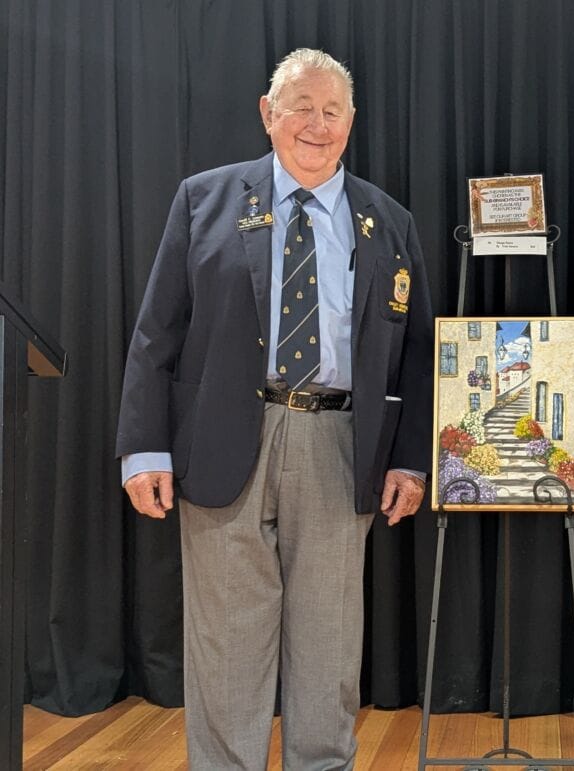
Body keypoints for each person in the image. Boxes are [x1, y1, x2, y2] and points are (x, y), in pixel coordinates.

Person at [115, 48, 432, 770]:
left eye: (332, 111)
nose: (316, 125)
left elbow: (414, 354)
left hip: (340, 443)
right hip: (223, 437)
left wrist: (410, 459)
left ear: (351, 122)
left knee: (328, 638)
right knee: (227, 639)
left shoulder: (389, 221)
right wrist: (144, 447)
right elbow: (157, 330)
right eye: (301, 108)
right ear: (268, 114)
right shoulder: (205, 200)